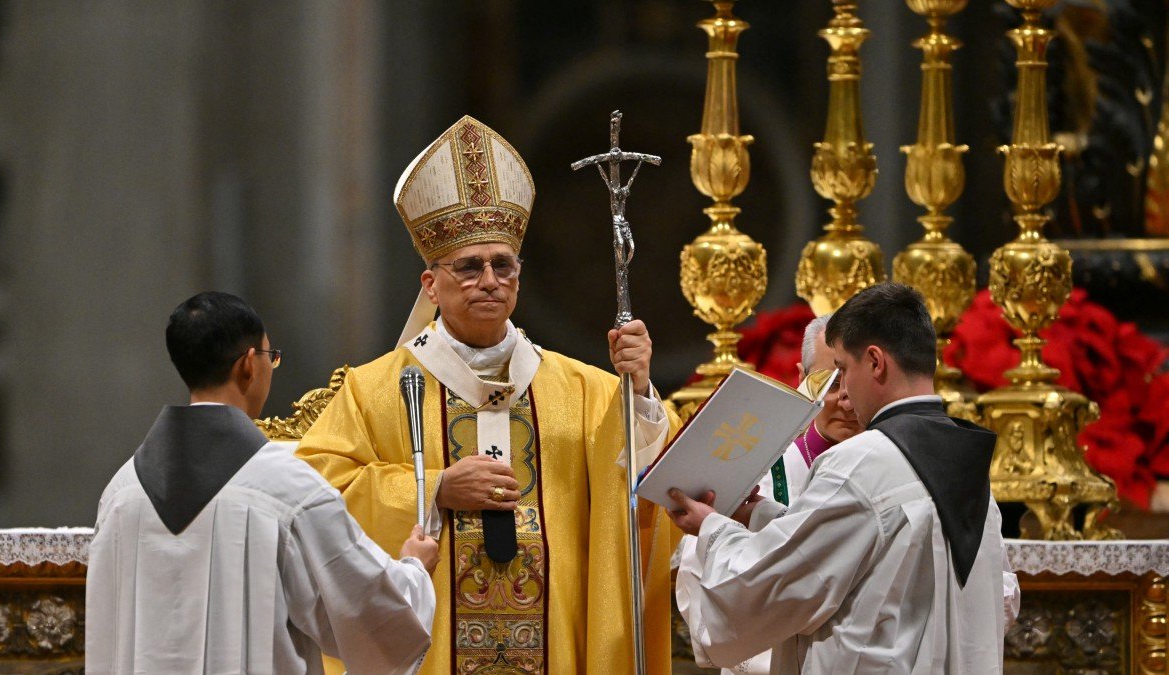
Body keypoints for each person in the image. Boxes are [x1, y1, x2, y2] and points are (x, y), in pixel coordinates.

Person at [295, 115, 680, 674]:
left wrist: (640, 391)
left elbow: (643, 487)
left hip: (555, 644)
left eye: (504, 265)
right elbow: (316, 497)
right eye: (469, 267)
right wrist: (432, 488)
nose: (490, 280)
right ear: (431, 284)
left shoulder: (588, 391)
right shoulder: (375, 390)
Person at [667, 282, 1012, 674]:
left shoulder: (862, 462)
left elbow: (779, 585)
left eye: (843, 371)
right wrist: (761, 516)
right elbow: (867, 559)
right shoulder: (966, 464)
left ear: (876, 362)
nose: (844, 391)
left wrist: (713, 528)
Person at [86, 292, 439, 675]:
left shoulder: (122, 491)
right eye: (271, 357)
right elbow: (363, 613)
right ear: (248, 366)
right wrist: (414, 572)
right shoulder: (287, 486)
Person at [674, 313, 861, 674]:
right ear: (803, 378)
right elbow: (703, 588)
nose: (846, 400)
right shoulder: (756, 465)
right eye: (831, 381)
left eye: (853, 380)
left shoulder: (891, 466)